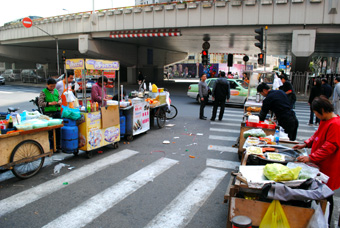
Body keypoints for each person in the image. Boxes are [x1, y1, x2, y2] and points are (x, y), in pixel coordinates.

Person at [294, 96, 340, 225]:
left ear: (323, 110)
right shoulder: (325, 121)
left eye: (316, 113)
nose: (316, 116)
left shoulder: (335, 124)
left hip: (329, 164)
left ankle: (327, 222)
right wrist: (306, 144)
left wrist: (310, 157)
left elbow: (329, 147)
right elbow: (317, 136)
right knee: (320, 192)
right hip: (320, 163)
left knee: (327, 194)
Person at [38, 78, 62, 151]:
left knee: (58, 129)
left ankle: (58, 145)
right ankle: (51, 147)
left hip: (57, 111)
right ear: (47, 85)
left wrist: (59, 102)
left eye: (54, 86)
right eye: (51, 86)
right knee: (50, 131)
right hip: (49, 113)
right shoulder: (43, 92)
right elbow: (40, 103)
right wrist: (50, 103)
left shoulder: (56, 91)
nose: (53, 88)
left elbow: (60, 98)